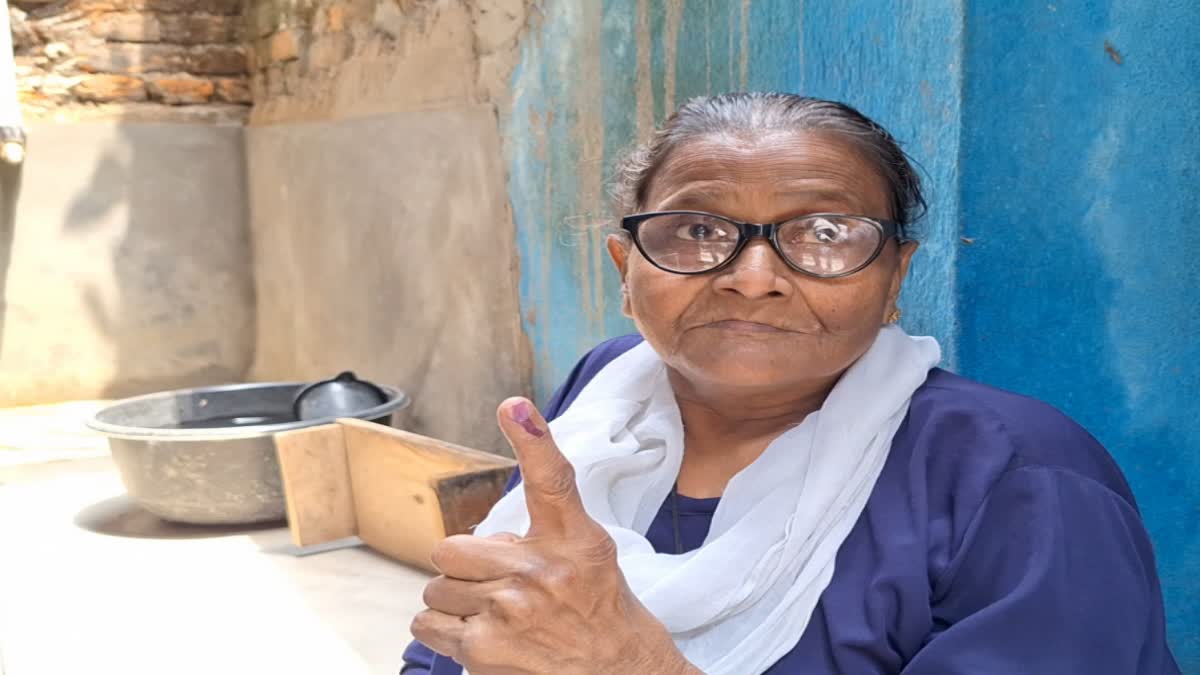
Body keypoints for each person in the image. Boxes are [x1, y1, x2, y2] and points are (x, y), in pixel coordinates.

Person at [401, 93, 1181, 674]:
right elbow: (465, 639)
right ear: (625, 270)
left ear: (894, 276)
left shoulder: (1019, 478)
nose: (753, 279)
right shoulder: (605, 401)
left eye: (826, 234)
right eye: (698, 231)